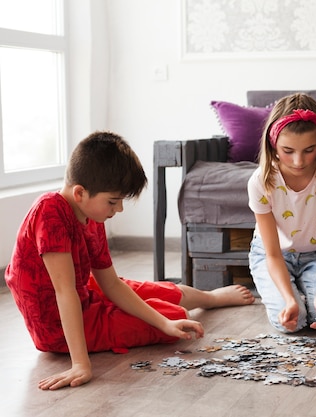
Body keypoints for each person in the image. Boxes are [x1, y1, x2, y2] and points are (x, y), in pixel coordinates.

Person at [5, 131, 255, 390]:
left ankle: (210, 298)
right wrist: (80, 364)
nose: (119, 209)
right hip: (56, 325)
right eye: (113, 201)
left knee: (156, 295)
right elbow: (64, 292)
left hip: (84, 292)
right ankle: (177, 310)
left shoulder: (92, 216)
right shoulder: (50, 211)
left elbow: (111, 284)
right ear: (80, 193)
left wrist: (162, 323)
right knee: (176, 317)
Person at [247, 93, 316, 333]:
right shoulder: (261, 181)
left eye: (309, 150)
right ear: (273, 144)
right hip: (272, 256)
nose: (298, 161)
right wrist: (289, 299)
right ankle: (294, 294)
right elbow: (273, 255)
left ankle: (308, 295)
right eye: (288, 150)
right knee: (289, 323)